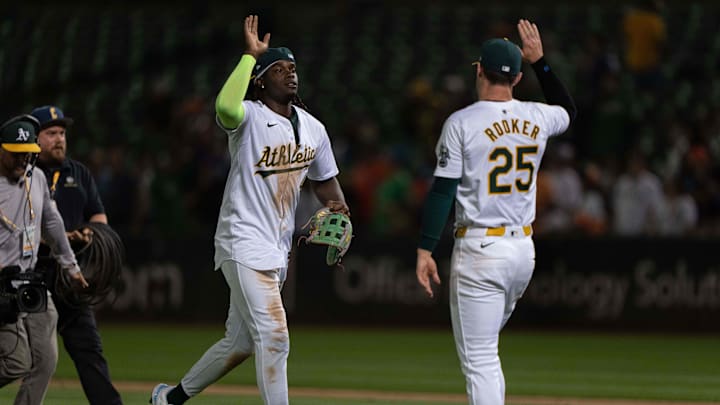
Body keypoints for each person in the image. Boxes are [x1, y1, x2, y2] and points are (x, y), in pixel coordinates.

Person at [150, 15, 349, 405]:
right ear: (260, 80)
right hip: (241, 240)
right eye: (279, 69)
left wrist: (339, 207)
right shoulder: (248, 118)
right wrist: (249, 57)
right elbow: (224, 105)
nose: (290, 74)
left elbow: (325, 180)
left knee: (239, 342)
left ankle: (169, 398)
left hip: (277, 247)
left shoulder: (313, 128)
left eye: (293, 68)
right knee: (275, 336)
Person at [415, 20, 576, 405]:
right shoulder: (538, 116)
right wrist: (542, 63)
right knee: (486, 351)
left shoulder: (461, 123)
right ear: (518, 77)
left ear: (478, 69)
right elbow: (568, 110)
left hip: (480, 252)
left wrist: (425, 249)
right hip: (522, 252)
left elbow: (442, 192)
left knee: (481, 359)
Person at [30, 105, 122, 405]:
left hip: (70, 277)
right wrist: (59, 239)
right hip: (31, 276)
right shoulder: (24, 173)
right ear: (35, 138)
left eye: (62, 133)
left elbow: (98, 217)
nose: (59, 139)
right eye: (51, 133)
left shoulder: (78, 172)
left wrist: (88, 235)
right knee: (25, 356)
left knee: (88, 349)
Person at [0, 114, 88, 404]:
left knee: (46, 360)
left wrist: (71, 267)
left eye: (29, 154)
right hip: (1, 286)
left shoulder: (35, 178)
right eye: (16, 154)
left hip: (29, 283)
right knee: (16, 362)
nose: (23, 160)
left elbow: (52, 224)